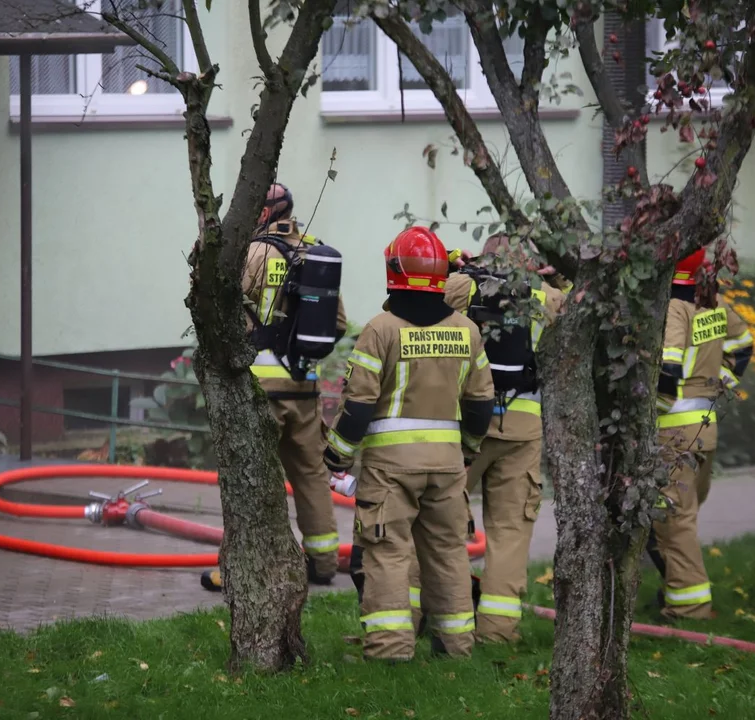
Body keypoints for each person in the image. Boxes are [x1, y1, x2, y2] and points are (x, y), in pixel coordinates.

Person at [325, 226, 495, 662]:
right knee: (447, 553)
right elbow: (480, 405)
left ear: (393, 272)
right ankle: (457, 647)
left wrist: (338, 454)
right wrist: (468, 450)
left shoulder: (380, 331)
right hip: (447, 466)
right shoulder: (467, 331)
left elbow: (358, 406)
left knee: (386, 553)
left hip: (390, 469)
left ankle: (388, 650)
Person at [201, 183, 347, 592]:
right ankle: (323, 562)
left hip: (259, 386)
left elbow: (225, 309)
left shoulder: (255, 253)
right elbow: (336, 324)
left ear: (264, 213)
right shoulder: (314, 252)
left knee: (248, 476)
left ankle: (236, 568)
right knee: (311, 475)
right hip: (303, 385)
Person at [420, 234, 566, 643]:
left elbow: (406, 304)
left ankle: (428, 622)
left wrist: (453, 267)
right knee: (510, 531)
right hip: (523, 426)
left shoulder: (464, 286)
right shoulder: (546, 296)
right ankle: (498, 633)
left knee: (435, 522)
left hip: (467, 423)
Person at [647, 246, 753, 620]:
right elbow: (742, 348)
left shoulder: (675, 309)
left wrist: (649, 417)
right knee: (683, 514)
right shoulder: (715, 306)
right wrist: (713, 388)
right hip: (705, 430)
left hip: (674, 433)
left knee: (674, 521)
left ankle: (690, 607)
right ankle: (677, 593)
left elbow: (668, 368)